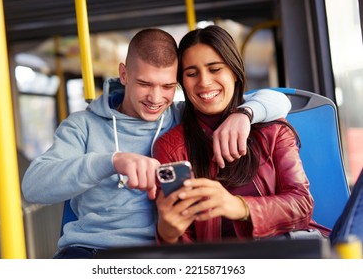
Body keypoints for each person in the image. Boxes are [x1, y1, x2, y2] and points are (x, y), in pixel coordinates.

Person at [21, 28, 291, 258]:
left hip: (163, 253)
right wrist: (113, 161)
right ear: (124, 75)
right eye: (144, 84)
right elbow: (33, 187)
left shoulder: (181, 116)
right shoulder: (83, 125)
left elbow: (280, 100)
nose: (155, 98)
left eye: (167, 86)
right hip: (91, 250)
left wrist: (244, 115)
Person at [153, 25, 331, 245]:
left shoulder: (271, 129)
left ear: (235, 73)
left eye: (215, 69)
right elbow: (184, 247)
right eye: (191, 73)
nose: (204, 82)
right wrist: (168, 234)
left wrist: (239, 206)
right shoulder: (171, 147)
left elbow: (302, 205)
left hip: (285, 251)